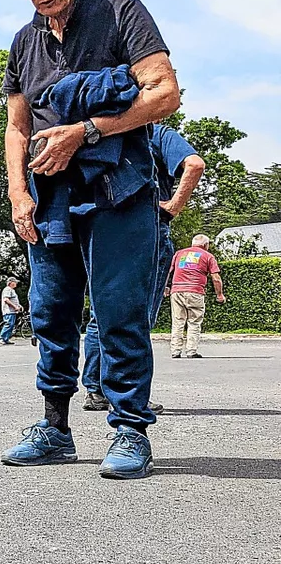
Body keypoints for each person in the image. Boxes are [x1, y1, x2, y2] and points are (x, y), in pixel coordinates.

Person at [0, 0, 181, 480]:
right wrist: (17, 193)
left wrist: (87, 132)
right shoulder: (24, 40)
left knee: (119, 313)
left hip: (119, 190)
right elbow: (16, 124)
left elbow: (165, 93)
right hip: (49, 198)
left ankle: (129, 429)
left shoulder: (124, 14)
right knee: (50, 314)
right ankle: (54, 428)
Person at [82, 122, 205, 412]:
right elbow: (194, 164)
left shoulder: (99, 132)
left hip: (102, 231)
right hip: (145, 230)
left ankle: (96, 390)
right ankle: (127, 395)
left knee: (99, 315)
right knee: (136, 317)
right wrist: (174, 206)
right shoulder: (156, 133)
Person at [164, 234, 226, 359]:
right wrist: (220, 295)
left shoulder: (179, 254)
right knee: (194, 322)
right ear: (206, 245)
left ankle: (175, 351)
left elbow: (167, 272)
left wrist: (165, 287)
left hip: (177, 291)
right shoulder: (208, 256)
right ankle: (191, 351)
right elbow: (216, 278)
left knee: (178, 321)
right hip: (195, 291)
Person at [0, 277, 24, 344]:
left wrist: (19, 306)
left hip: (12, 311)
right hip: (8, 311)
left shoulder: (11, 290)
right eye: (15, 282)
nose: (16, 283)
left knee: (11, 325)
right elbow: (6, 299)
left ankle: (6, 339)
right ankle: (1, 338)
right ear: (10, 283)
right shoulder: (8, 289)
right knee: (8, 324)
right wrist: (15, 306)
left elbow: (13, 300)